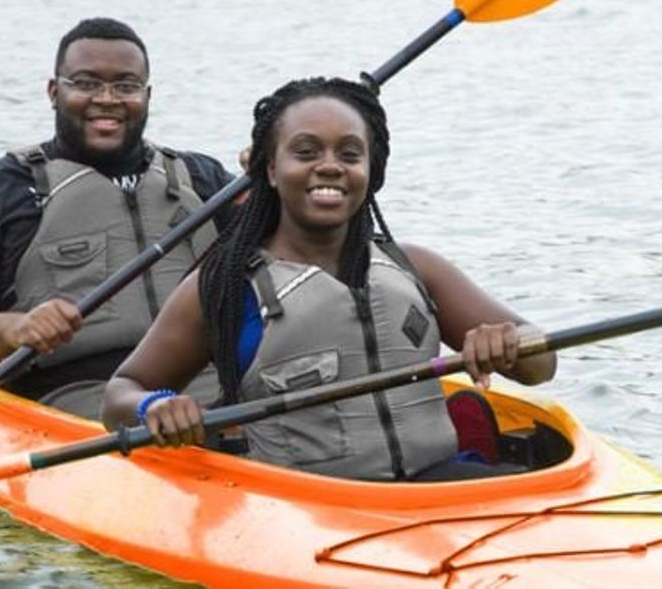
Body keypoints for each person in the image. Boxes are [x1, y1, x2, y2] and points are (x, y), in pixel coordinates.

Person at [103, 77, 557, 482]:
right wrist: (154, 406)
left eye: (349, 154)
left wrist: (510, 344)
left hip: (437, 485)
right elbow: (120, 394)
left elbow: (543, 363)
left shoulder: (413, 266)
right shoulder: (224, 286)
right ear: (270, 170)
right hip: (305, 505)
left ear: (370, 171)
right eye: (305, 152)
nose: (330, 166)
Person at [0, 18, 237, 418]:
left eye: (125, 85)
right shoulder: (2, 187)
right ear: (54, 92)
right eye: (86, 83)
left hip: (217, 391)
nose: (106, 98)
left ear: (147, 94)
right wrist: (12, 328)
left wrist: (275, 177)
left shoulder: (202, 178)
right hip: (73, 405)